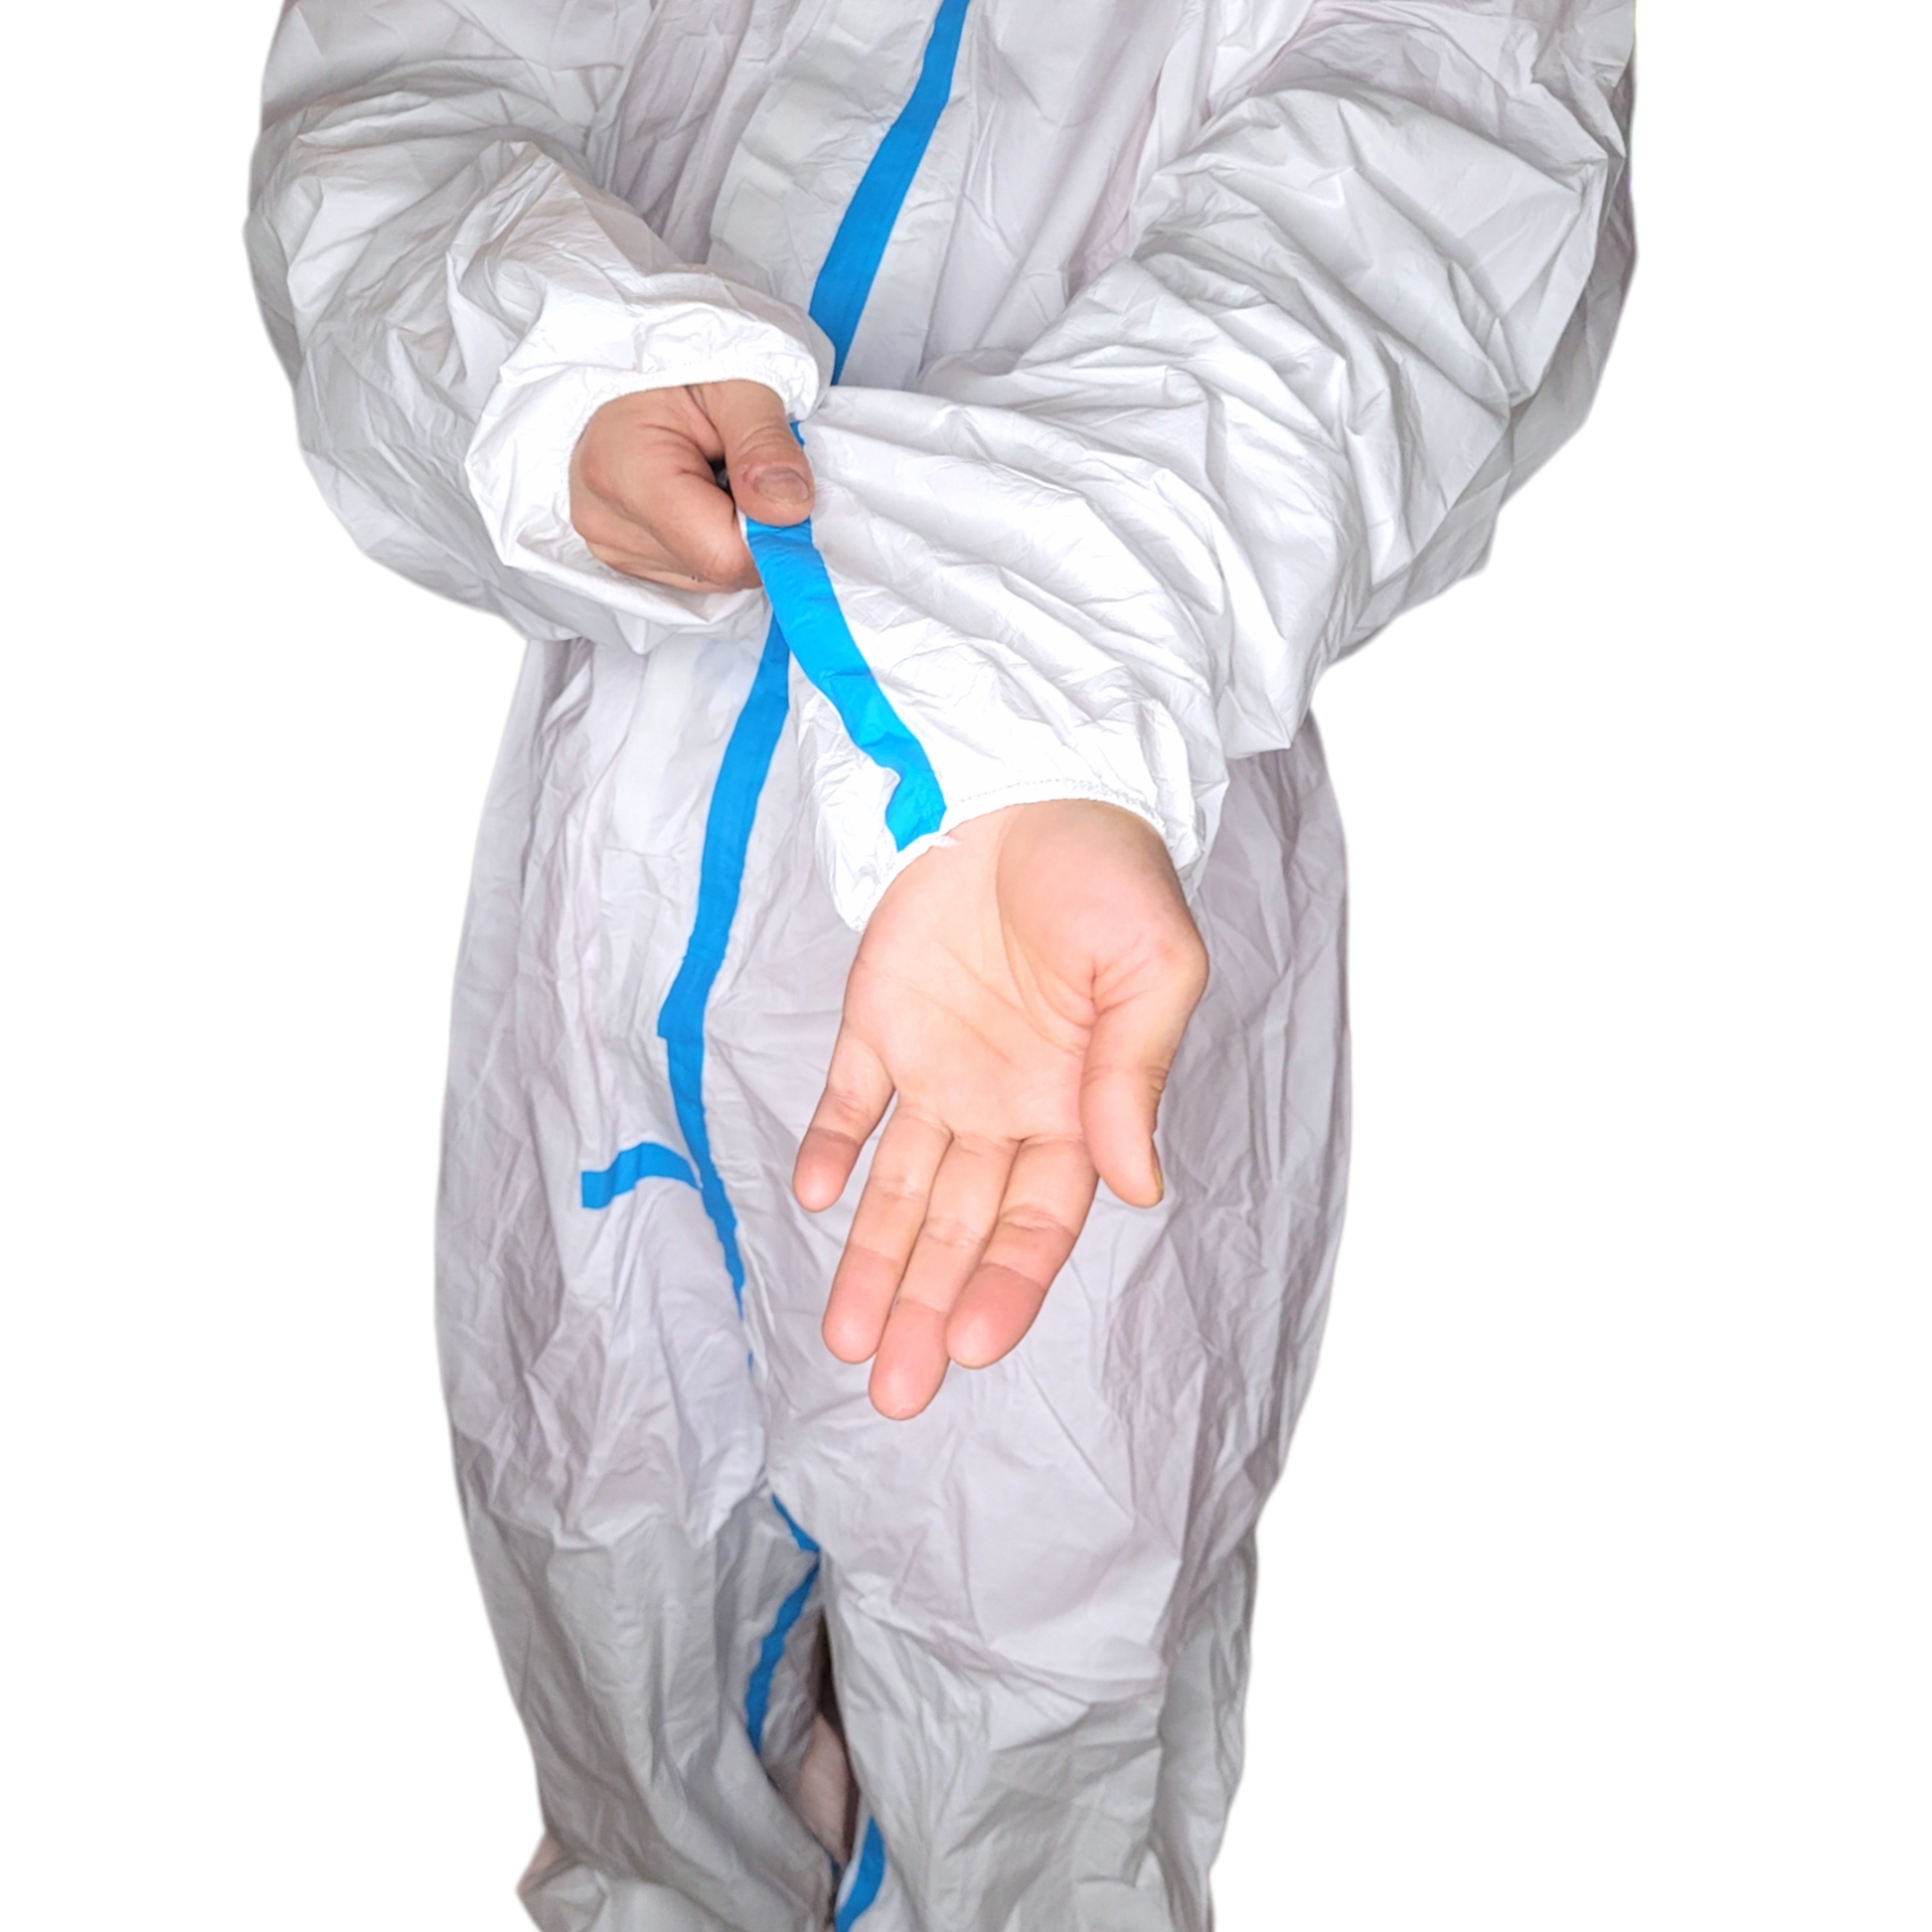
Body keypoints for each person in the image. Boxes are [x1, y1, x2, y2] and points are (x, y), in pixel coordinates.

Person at [247, 1, 1634, 1924]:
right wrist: (554, 378)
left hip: (1070, 928)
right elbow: (405, 95)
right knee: (613, 1642)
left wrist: (1037, 688)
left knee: (1035, 1730)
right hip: (611, 921)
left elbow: (1424, 182)